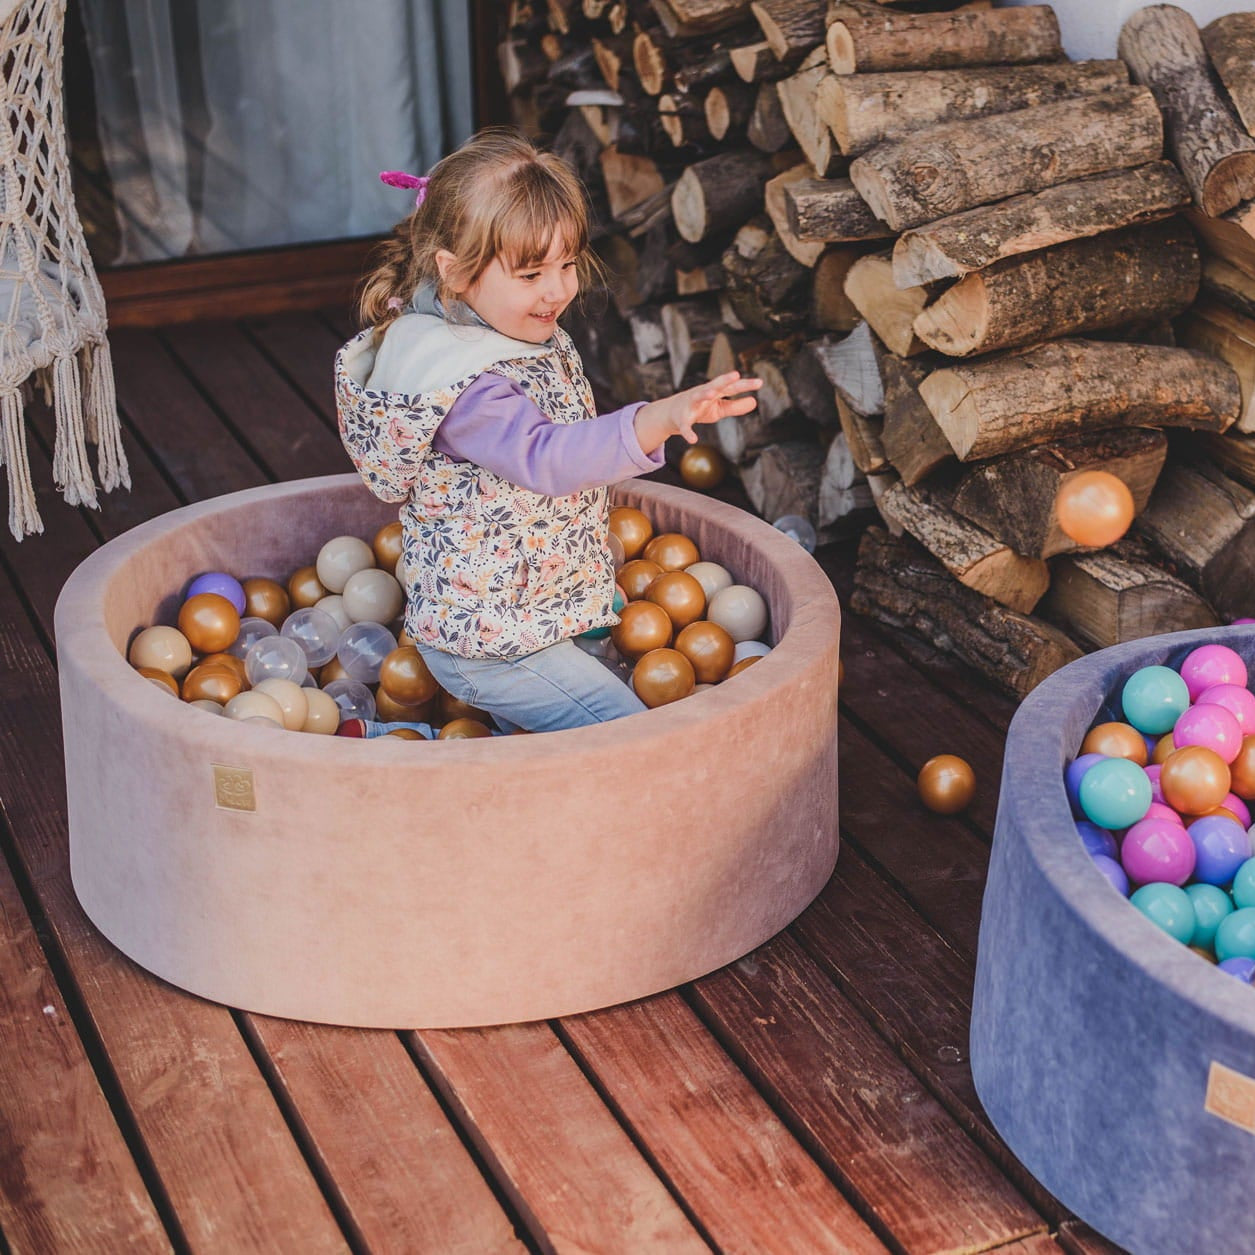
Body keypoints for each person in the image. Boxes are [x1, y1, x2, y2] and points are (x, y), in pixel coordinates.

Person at [336, 127, 761, 734]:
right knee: (625, 738)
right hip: (493, 645)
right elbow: (546, 457)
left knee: (544, 760)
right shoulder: (463, 384)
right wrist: (658, 418)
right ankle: (392, 742)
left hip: (532, 611)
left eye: (567, 263)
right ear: (454, 274)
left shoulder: (496, 324)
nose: (559, 289)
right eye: (532, 273)